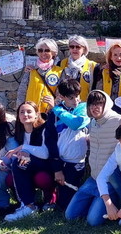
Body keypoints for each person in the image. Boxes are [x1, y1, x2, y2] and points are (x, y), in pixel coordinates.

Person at [65, 90, 121, 226]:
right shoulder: (93, 122)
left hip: (109, 181)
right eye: (91, 104)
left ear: (106, 104)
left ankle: (117, 203)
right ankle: (98, 204)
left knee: (93, 221)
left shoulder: (118, 120)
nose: (94, 108)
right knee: (70, 216)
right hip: (93, 179)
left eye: (98, 104)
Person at [4, 101, 57, 222]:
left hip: (46, 165)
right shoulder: (19, 132)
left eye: (29, 111)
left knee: (21, 164)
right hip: (30, 166)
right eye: (22, 112)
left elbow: (46, 153)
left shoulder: (44, 128)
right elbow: (19, 153)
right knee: (15, 168)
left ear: (36, 114)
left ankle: (36, 203)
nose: (25, 114)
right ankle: (26, 204)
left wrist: (24, 148)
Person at [46, 79, 90, 210]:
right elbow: (50, 140)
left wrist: (56, 109)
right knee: (64, 200)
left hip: (77, 161)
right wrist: (57, 168)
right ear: (61, 97)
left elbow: (76, 124)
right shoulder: (53, 115)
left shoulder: (84, 108)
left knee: (72, 198)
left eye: (77, 96)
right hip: (60, 160)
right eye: (71, 98)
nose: (76, 100)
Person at [17, 38, 62, 113]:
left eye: (47, 50)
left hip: (49, 114)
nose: (43, 53)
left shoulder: (60, 72)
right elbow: (22, 92)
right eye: (40, 50)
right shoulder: (30, 70)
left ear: (54, 53)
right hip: (30, 114)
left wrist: (54, 105)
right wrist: (20, 110)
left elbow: (61, 95)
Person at [0, 102, 17, 214]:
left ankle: (1, 206)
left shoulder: (5, 134)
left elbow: (15, 154)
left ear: (0, 118)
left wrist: (4, 162)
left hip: (1, 168)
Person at [59, 35, 96, 102]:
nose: (74, 49)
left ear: (84, 49)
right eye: (72, 47)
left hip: (84, 105)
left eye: (78, 47)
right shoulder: (61, 63)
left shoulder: (92, 66)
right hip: (65, 105)